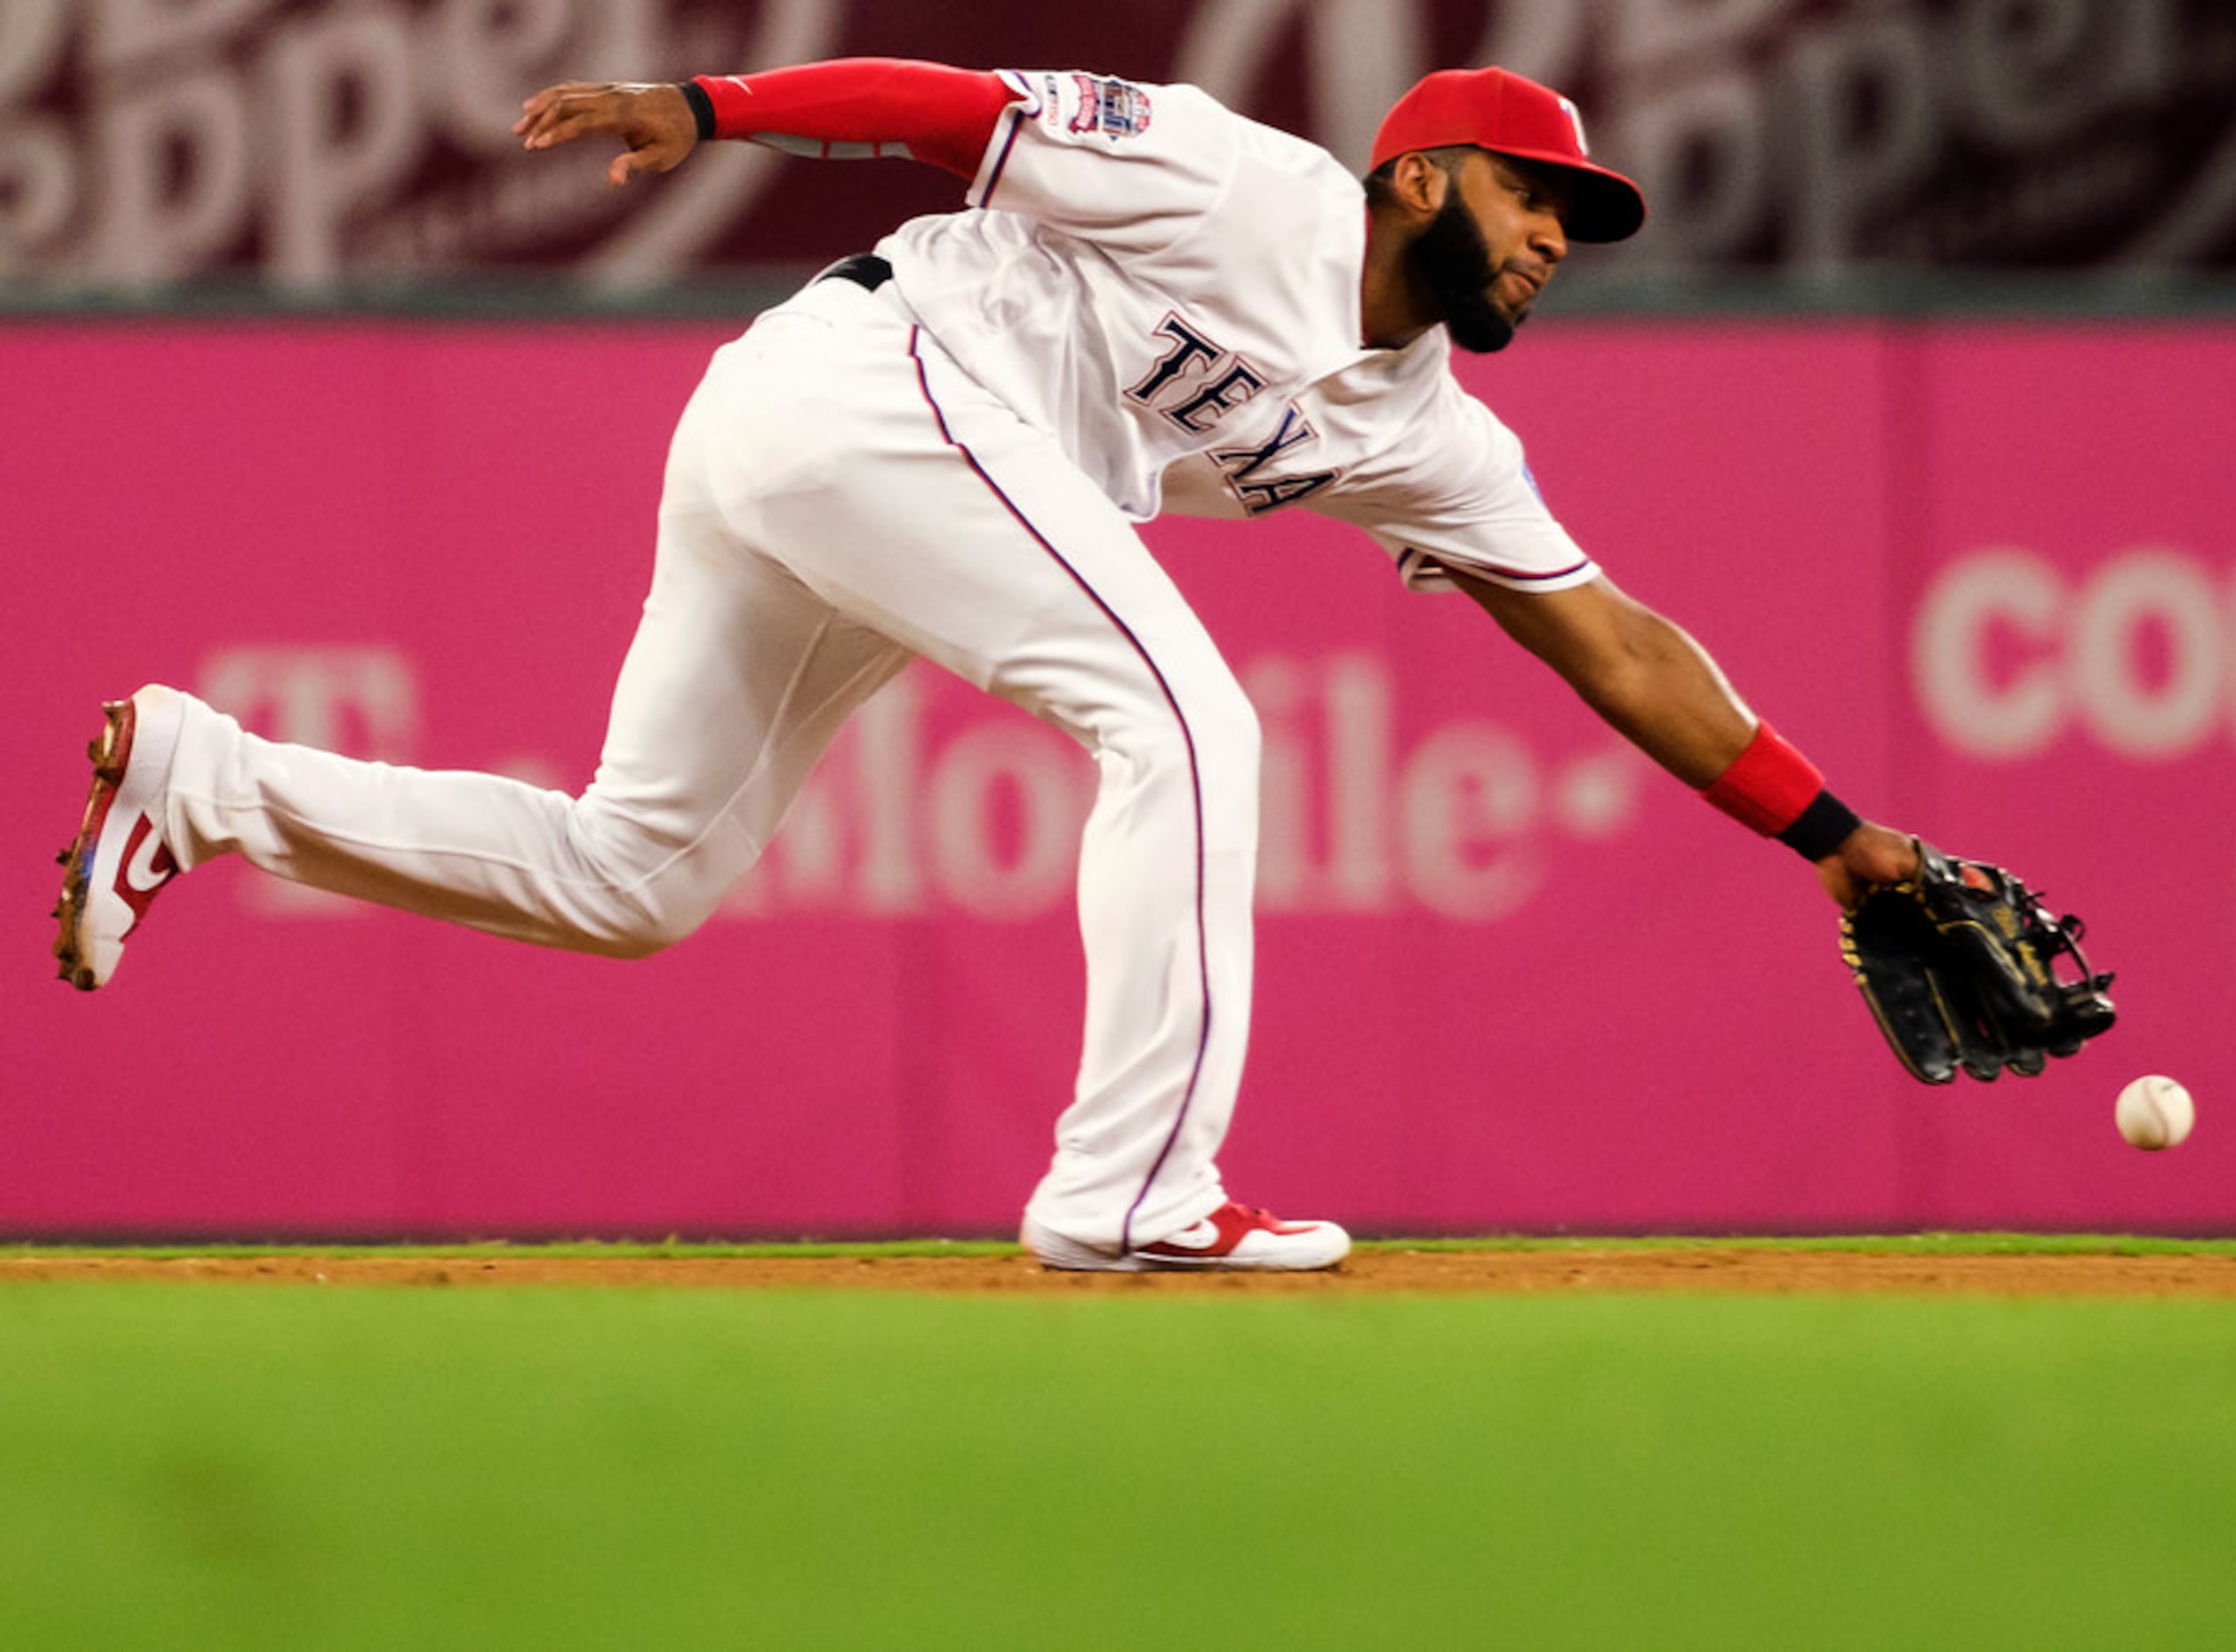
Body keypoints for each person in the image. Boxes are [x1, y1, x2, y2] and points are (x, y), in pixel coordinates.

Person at [53, 58, 1920, 1271]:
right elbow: (957, 109)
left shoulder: (1437, 439)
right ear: (1419, 168)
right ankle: (1130, 1192)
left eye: (1571, 230)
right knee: (1183, 713)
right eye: (1531, 201)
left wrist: (1838, 839)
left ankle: (214, 784)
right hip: (873, 377)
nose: (1548, 244)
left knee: (637, 877)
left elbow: (1610, 640)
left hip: (856, 462)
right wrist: (710, 110)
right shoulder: (1253, 184)